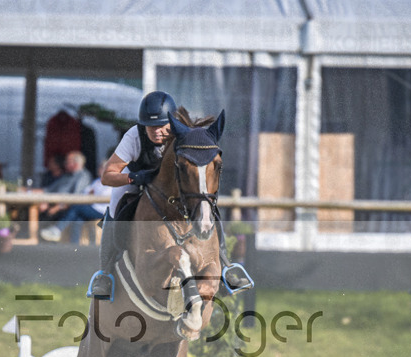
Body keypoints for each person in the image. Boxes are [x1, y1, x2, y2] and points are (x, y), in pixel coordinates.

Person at [87, 91, 252, 300]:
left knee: (205, 202)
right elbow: (107, 176)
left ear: (172, 124)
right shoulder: (134, 137)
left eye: (162, 126)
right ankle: (106, 273)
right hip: (138, 179)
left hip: (173, 185)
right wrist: (135, 177)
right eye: (150, 126)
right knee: (116, 204)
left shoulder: (184, 135)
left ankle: (226, 266)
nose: (156, 132)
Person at [40, 159, 112, 243]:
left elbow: (101, 196)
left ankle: (57, 229)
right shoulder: (97, 182)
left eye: (102, 168)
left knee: (76, 206)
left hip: (102, 211)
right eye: (100, 168)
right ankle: (75, 245)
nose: (100, 170)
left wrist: (91, 194)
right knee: (78, 219)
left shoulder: (111, 182)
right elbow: (86, 193)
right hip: (92, 207)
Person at [37, 151, 92, 222]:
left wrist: (56, 208)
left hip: (65, 208)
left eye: (67, 162)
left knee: (46, 215)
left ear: (75, 164)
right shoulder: (66, 176)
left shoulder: (83, 176)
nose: (64, 164)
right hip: (53, 203)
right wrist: (28, 190)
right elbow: (48, 190)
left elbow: (76, 197)